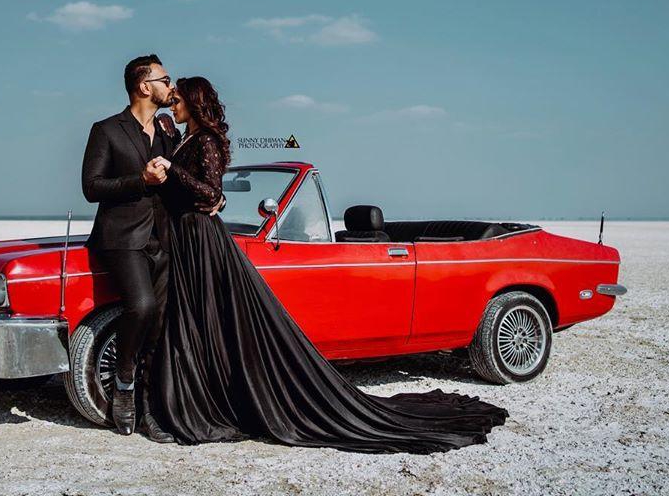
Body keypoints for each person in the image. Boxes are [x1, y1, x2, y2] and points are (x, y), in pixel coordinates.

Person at [145, 76, 509, 454]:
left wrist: (173, 171)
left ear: (194, 100)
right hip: (185, 241)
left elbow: (212, 192)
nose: (173, 103)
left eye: (179, 98)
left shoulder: (207, 141)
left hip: (202, 241)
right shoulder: (187, 137)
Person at [80, 55, 222, 441]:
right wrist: (139, 179)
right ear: (145, 86)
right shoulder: (106, 130)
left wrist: (214, 199)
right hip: (122, 238)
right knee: (141, 306)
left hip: (165, 236)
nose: (170, 86)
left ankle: (150, 410)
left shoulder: (168, 131)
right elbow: (91, 187)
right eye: (164, 78)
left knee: (161, 322)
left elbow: (190, 175)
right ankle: (123, 382)